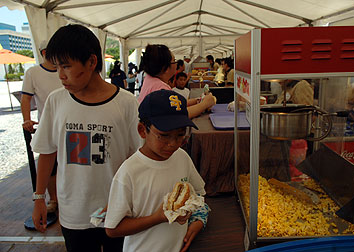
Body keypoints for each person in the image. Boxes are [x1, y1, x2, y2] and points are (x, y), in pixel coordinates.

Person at [30, 24, 141, 252]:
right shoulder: (56, 101)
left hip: (118, 209)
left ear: (91, 62)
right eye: (57, 67)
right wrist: (40, 198)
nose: (61, 75)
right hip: (74, 212)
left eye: (67, 66)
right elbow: (47, 152)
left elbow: (138, 157)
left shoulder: (126, 103)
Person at [105, 90, 209, 252]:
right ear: (142, 130)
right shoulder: (129, 172)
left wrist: (198, 220)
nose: (173, 143)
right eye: (164, 135)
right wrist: (158, 218)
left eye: (180, 135)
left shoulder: (182, 158)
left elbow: (198, 194)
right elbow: (113, 229)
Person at [21, 40, 61, 213]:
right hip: (47, 126)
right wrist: (27, 119)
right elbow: (26, 98)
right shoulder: (33, 73)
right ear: (44, 53)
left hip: (68, 125)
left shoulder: (64, 70)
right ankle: (53, 198)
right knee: (49, 166)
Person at [137, 44, 216, 118]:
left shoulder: (150, 79)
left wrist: (198, 100)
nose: (176, 64)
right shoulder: (160, 89)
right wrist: (205, 104)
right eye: (174, 60)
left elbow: (175, 104)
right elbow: (179, 114)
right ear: (166, 68)